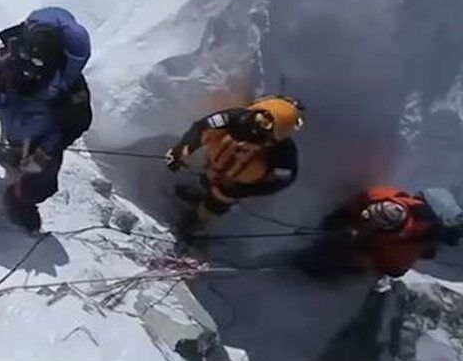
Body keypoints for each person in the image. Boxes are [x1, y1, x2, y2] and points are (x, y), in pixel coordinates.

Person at [0, 7, 93, 233]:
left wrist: (46, 152)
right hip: (12, 125)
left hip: (44, 137)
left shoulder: (70, 84)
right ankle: (15, 163)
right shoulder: (5, 58)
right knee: (20, 160)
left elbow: (76, 122)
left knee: (42, 186)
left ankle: (20, 198)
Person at [164, 96, 303, 238]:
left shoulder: (284, 153)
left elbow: (283, 179)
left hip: (233, 186)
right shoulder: (235, 117)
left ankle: (196, 221)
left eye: (264, 130)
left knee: (215, 204)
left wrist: (241, 190)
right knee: (207, 181)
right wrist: (180, 151)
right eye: (254, 122)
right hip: (213, 167)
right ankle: (201, 195)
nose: (253, 132)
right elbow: (202, 127)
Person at [297, 186, 463, 279]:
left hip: (344, 222)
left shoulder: (392, 195)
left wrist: (343, 215)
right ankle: (312, 265)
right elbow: (395, 267)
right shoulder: (414, 235)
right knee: (361, 262)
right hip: (352, 242)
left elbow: (366, 197)